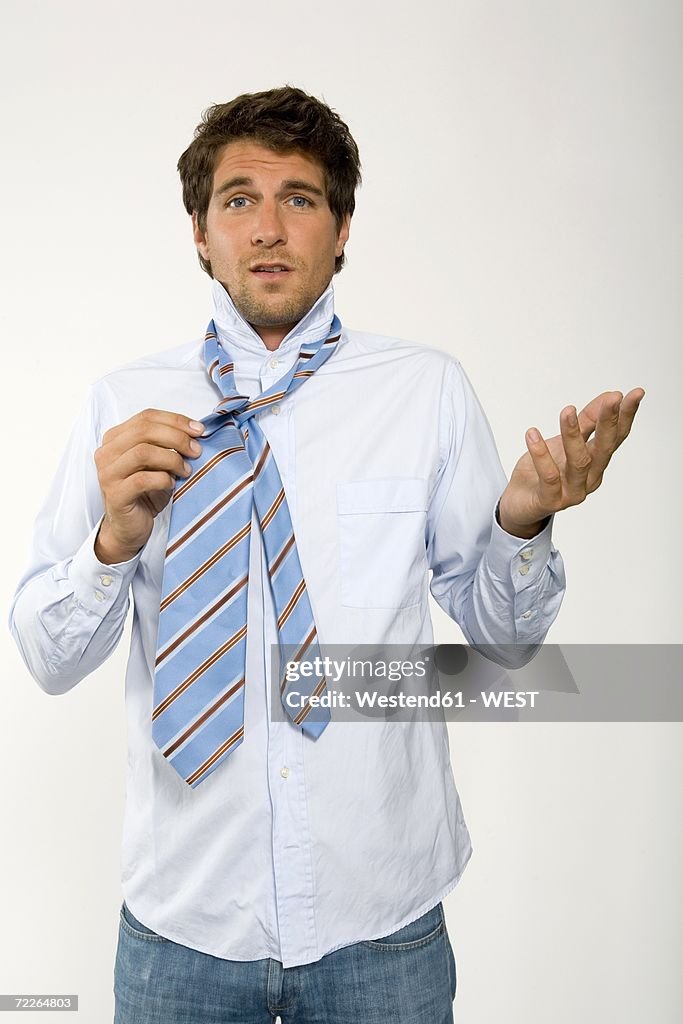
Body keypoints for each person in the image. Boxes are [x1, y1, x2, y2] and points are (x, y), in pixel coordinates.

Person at [8, 85, 644, 1024]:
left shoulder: (423, 392)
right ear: (199, 232)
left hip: (379, 921)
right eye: (238, 200)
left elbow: (505, 643)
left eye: (299, 199)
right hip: (182, 927)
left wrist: (519, 523)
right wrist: (112, 545)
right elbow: (46, 658)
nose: (268, 227)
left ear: (342, 229)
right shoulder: (121, 410)